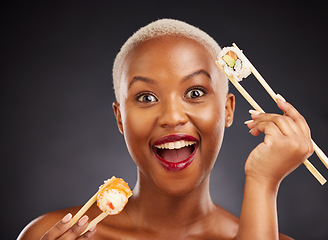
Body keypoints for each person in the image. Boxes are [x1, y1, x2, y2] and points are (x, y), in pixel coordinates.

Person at [18, 18, 313, 240]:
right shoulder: (52, 234)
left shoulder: (265, 234)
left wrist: (263, 182)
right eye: (146, 97)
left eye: (195, 92)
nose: (172, 117)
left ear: (227, 109)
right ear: (120, 119)